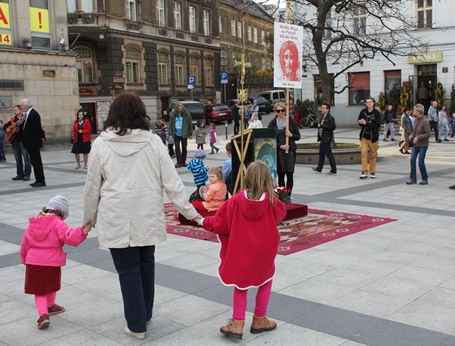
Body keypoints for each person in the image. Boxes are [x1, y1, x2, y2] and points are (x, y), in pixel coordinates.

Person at [82, 92, 201, 340]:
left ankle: (136, 324)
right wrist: (192, 213)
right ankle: (143, 313)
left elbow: (92, 187)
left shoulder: (101, 144)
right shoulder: (153, 142)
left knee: (127, 269)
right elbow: (172, 182)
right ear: (140, 113)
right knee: (146, 264)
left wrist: (89, 218)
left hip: (116, 214)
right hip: (146, 213)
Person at [195, 161, 286, 340]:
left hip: (241, 251)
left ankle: (237, 324)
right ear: (268, 179)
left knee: (240, 285)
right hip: (264, 251)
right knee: (266, 280)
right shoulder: (271, 201)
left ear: (247, 178)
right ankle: (259, 319)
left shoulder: (235, 201)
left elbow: (219, 223)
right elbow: (280, 214)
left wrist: (201, 221)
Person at [20, 195, 92, 329]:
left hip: (34, 261)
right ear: (62, 213)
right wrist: (85, 229)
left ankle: (44, 314)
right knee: (51, 285)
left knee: (39, 290)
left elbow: (25, 243)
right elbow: (70, 238)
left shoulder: (33, 222)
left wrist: (24, 258)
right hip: (52, 262)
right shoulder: (58, 223)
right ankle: (49, 308)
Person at [268, 102, 301, 195]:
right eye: (278, 111)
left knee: (290, 174)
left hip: (290, 151)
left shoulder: (290, 121)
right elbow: (270, 140)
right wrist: (280, 146)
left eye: (282, 110)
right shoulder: (272, 124)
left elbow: (298, 136)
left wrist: (291, 135)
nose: (281, 112)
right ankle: (282, 194)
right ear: (275, 112)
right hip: (279, 152)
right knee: (281, 174)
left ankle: (289, 194)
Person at [20, 98, 46, 187]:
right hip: (29, 142)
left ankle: (41, 180)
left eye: (22, 106)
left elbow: (37, 127)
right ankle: (37, 179)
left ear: (26, 106)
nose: (21, 107)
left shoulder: (33, 114)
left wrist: (42, 136)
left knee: (36, 161)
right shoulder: (27, 114)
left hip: (33, 142)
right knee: (34, 162)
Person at [4, 105, 31, 181]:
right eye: (14, 110)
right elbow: (5, 126)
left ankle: (27, 175)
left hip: (23, 141)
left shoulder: (24, 118)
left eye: (15, 110)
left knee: (26, 159)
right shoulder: (13, 119)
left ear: (20, 110)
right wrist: (7, 129)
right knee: (18, 159)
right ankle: (19, 174)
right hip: (14, 141)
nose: (14, 111)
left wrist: (20, 124)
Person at [357, 97, 382, 179]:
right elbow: (360, 121)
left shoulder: (377, 113)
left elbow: (377, 125)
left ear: (373, 103)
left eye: (370, 102)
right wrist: (360, 122)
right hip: (364, 136)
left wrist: (366, 123)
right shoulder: (363, 111)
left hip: (373, 137)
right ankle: (364, 171)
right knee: (363, 153)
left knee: (373, 155)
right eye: (367, 102)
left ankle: (372, 171)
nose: (369, 103)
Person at [406, 104, 430, 185]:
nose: (413, 112)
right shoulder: (416, 120)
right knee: (412, 160)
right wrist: (412, 135)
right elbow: (415, 131)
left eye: (415, 111)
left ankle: (424, 178)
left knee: (420, 161)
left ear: (419, 112)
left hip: (423, 144)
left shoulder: (425, 121)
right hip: (415, 144)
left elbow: (428, 134)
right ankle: (413, 178)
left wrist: (418, 137)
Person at [310, 102, 337, 176]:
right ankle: (319, 168)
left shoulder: (330, 118)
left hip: (326, 139)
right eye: (322, 108)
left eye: (323, 108)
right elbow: (320, 126)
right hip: (322, 138)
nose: (322, 109)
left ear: (327, 110)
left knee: (329, 154)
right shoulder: (322, 117)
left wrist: (321, 125)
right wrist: (315, 125)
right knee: (321, 154)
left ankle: (333, 170)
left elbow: (333, 127)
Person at [169, 102, 193, 168]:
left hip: (184, 133)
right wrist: (170, 134)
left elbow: (190, 124)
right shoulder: (173, 114)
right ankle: (178, 162)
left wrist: (190, 133)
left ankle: (183, 161)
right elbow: (170, 124)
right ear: (177, 107)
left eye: (182, 106)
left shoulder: (187, 114)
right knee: (177, 148)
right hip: (176, 133)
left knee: (184, 148)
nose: (181, 107)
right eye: (179, 106)